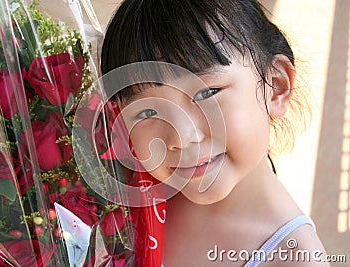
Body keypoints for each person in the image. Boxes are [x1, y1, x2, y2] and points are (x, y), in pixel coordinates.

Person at [100, 0, 329, 266]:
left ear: (275, 87)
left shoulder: (295, 258)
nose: (181, 138)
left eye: (206, 93)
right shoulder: (128, 190)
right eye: (147, 111)